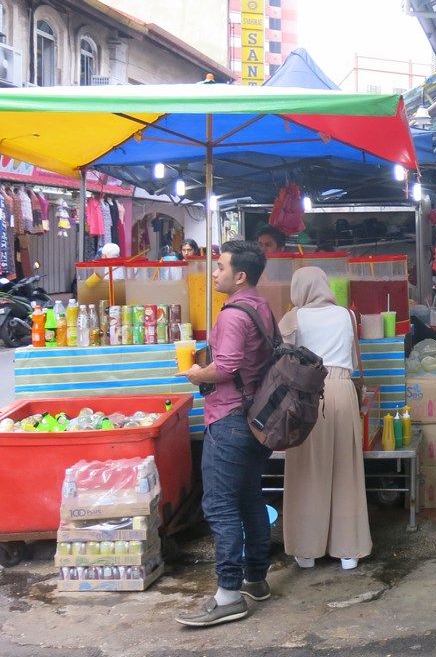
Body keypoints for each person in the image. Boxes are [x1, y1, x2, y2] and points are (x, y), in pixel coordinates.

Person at [175, 240, 275, 627]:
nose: (214, 273)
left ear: (240, 275)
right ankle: (256, 579)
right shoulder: (260, 305)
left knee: (219, 505)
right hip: (255, 420)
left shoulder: (233, 315)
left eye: (220, 267)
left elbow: (228, 366)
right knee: (249, 497)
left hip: (230, 418)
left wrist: (197, 373)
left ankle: (229, 595)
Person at [278, 267, 371, 571]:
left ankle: (307, 551)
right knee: (346, 468)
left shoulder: (294, 317)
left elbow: (279, 360)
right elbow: (356, 362)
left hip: (307, 396)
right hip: (343, 390)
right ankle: (349, 551)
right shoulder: (347, 314)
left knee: (307, 469)